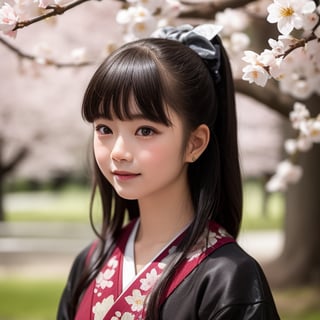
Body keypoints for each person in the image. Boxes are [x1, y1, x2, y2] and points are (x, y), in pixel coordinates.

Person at [57, 24, 280, 319]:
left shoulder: (228, 277)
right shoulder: (90, 263)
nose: (118, 152)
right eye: (105, 129)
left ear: (194, 143)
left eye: (145, 130)